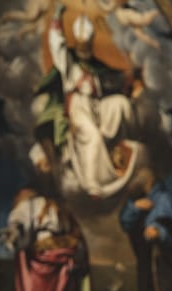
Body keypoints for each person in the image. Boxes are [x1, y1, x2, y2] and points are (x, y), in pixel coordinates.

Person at [48, 3, 138, 198]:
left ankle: (125, 144)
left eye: (87, 45)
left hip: (96, 104)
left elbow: (115, 77)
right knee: (94, 137)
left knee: (121, 104)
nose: (84, 49)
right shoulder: (69, 62)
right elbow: (57, 45)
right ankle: (92, 183)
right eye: (81, 45)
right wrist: (56, 20)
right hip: (78, 108)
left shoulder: (96, 65)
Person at [0, 190, 91, 291]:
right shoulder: (30, 205)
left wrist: (71, 247)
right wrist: (14, 234)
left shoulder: (63, 210)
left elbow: (77, 237)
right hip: (39, 263)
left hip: (61, 266)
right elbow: (19, 229)